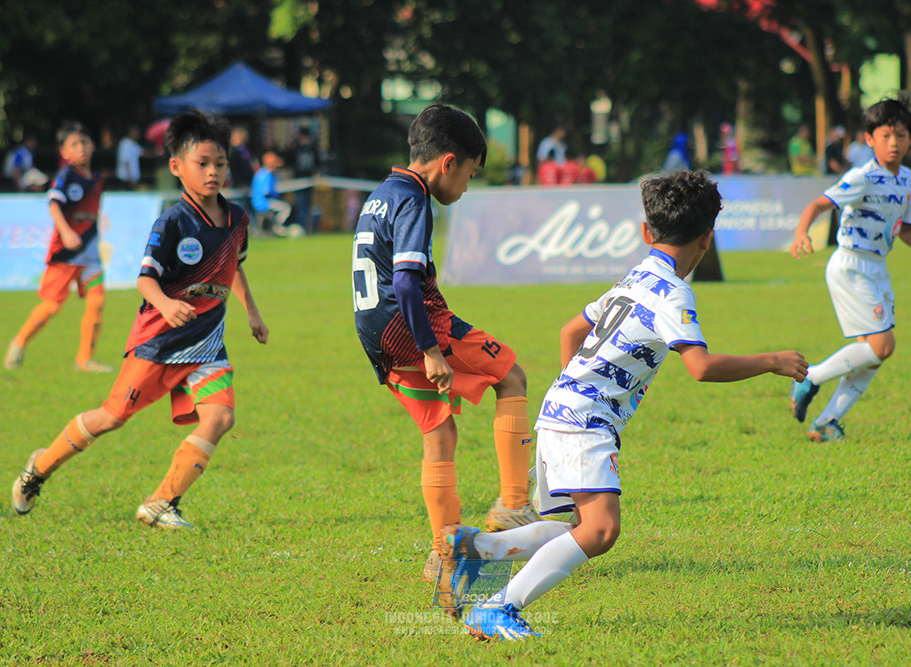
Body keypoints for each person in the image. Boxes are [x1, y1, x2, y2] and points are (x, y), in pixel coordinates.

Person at [434, 169, 807, 638]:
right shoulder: (674, 291)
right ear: (707, 240)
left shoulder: (637, 276)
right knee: (601, 531)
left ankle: (474, 547)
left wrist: (574, 390)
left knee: (570, 525)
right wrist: (771, 360)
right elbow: (701, 367)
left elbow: (571, 330)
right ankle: (498, 607)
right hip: (583, 422)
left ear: (646, 233)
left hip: (559, 409)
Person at [10, 110, 269, 529]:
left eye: (219, 163)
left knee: (220, 417)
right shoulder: (171, 222)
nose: (213, 172)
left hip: (206, 344)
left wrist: (253, 314)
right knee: (111, 416)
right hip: (160, 341)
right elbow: (146, 281)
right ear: (176, 167)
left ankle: (162, 502)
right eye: (201, 164)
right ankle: (38, 467)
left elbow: (232, 268)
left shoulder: (237, 218)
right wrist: (167, 305)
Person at [351, 103, 539, 584]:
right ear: (448, 163)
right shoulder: (414, 199)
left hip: (376, 334)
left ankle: (444, 551)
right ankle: (515, 505)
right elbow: (408, 282)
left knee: (439, 434)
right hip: (413, 326)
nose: (467, 187)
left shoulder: (380, 194)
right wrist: (431, 350)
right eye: (471, 175)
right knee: (511, 375)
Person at [788, 93, 911, 443]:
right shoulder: (862, 176)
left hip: (877, 268)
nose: (894, 143)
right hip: (851, 265)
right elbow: (819, 203)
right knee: (883, 346)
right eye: (886, 136)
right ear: (870, 139)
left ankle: (826, 423)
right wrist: (802, 231)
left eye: (901, 135)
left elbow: (904, 228)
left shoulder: (907, 180)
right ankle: (810, 378)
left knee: (872, 357)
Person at [4, 121, 113, 373]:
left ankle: (85, 360)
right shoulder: (66, 176)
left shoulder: (97, 179)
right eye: (74, 144)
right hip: (66, 252)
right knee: (52, 306)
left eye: (84, 142)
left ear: (93, 145)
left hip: (90, 251)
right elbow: (53, 204)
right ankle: (19, 342)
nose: (81, 148)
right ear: (64, 152)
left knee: (97, 301)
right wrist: (66, 232)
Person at [251, 149, 293, 235]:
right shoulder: (266, 174)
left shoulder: (261, 173)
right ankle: (278, 226)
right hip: (264, 203)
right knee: (286, 208)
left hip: (259, 202)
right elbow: (266, 192)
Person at [290, 126, 320, 235]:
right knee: (301, 207)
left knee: (307, 208)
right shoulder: (297, 149)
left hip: (308, 182)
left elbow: (317, 164)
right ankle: (302, 229)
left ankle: (307, 229)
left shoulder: (312, 149)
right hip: (299, 182)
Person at [227, 125, 257, 225]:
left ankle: (253, 229)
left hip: (248, 183)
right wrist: (239, 183)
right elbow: (233, 170)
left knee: (249, 207)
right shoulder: (233, 151)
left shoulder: (244, 149)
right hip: (240, 186)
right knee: (241, 208)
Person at [116, 124, 145, 189]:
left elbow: (143, 153)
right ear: (131, 132)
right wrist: (131, 179)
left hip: (132, 180)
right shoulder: (125, 144)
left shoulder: (133, 144)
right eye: (136, 133)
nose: (138, 135)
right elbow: (126, 162)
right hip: (126, 180)